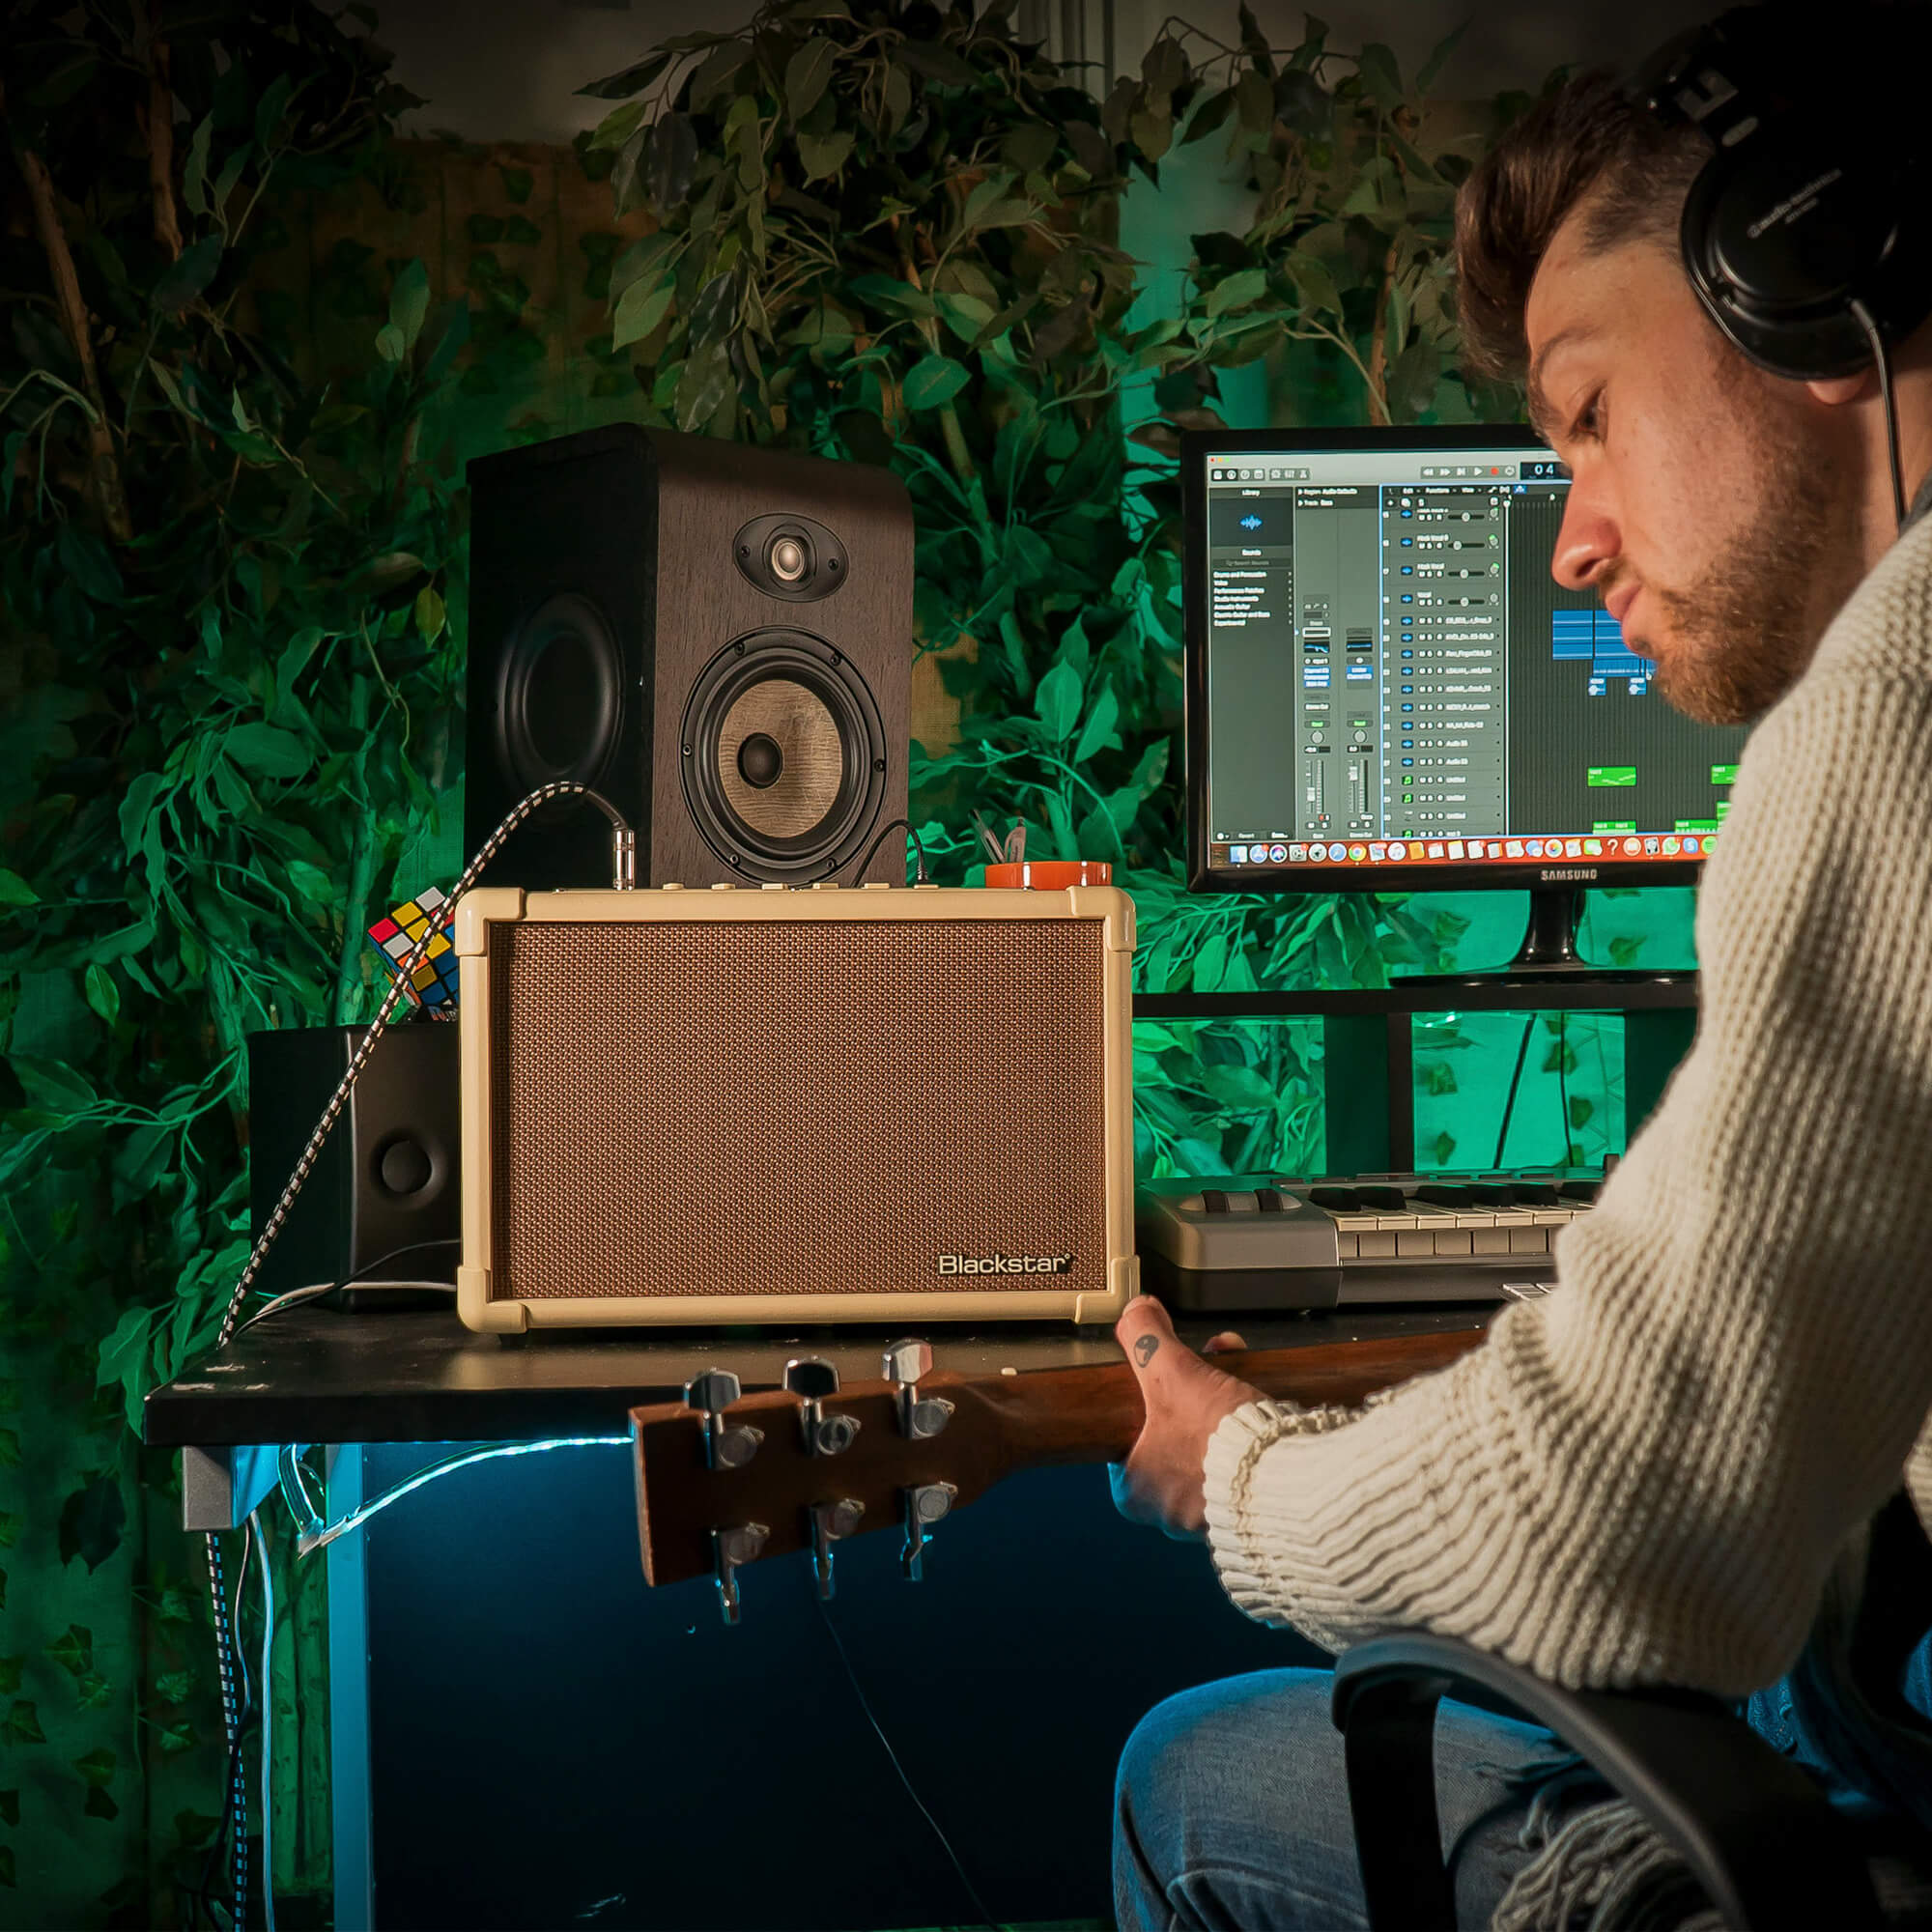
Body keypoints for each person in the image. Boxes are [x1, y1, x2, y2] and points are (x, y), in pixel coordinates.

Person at [1110, 11, 1932, 1928]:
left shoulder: (1896, 706)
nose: (1566, 540)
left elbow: (1631, 1521)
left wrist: (1242, 1474)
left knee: (1196, 1771)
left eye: (1580, 412)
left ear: (1800, 286)